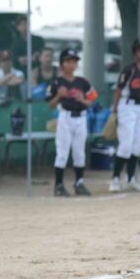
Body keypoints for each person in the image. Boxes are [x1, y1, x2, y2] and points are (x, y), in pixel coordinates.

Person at [46, 49, 98, 197]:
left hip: (81, 118)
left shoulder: (82, 82)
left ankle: (79, 183)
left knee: (79, 152)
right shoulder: (57, 82)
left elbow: (92, 99)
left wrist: (82, 100)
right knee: (62, 152)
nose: (71, 64)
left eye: (74, 61)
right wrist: (58, 95)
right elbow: (50, 104)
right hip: (65, 117)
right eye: (68, 61)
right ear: (62, 64)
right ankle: (59, 185)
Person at [109, 39, 140, 193]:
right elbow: (119, 89)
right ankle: (115, 179)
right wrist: (115, 108)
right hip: (127, 105)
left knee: (137, 144)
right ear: (135, 53)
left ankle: (131, 179)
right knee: (126, 144)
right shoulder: (129, 69)